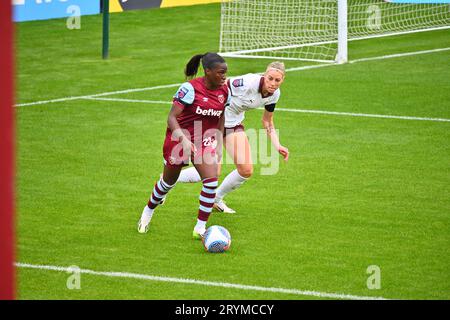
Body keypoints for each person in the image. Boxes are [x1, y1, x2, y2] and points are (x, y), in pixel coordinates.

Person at [137, 52, 230, 238]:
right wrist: (184, 140)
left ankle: (200, 228)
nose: (224, 76)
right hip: (179, 138)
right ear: (208, 71)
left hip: (203, 140)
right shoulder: (190, 89)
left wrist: (218, 142)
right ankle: (147, 212)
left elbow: (221, 117)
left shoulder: (224, 91)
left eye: (225, 72)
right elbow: (171, 117)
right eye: (220, 73)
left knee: (211, 181)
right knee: (167, 183)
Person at [177, 62, 289, 213]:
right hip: (214, 120)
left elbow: (267, 121)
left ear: (283, 80)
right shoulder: (247, 82)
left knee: (246, 170)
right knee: (213, 172)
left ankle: (215, 199)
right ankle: (168, 179)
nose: (273, 83)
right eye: (270, 78)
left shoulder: (275, 94)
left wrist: (278, 145)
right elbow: (222, 86)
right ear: (265, 75)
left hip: (234, 123)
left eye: (277, 80)